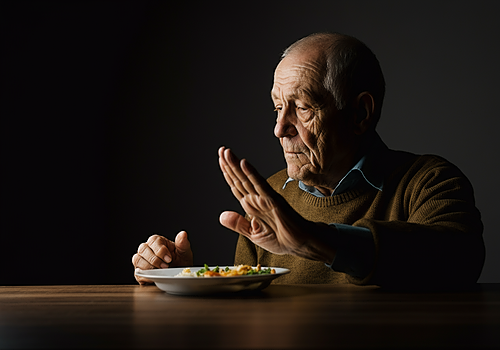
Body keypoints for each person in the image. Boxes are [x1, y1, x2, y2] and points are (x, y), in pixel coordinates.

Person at [132, 32, 485, 288]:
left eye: (302, 108)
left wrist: (314, 240)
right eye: (276, 107)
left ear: (360, 113)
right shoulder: (269, 194)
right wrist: (178, 278)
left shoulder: (429, 181)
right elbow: (243, 314)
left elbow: (457, 260)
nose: (279, 129)